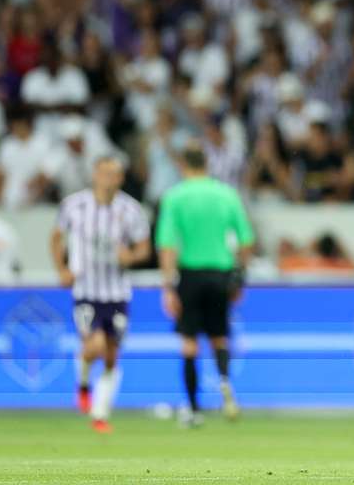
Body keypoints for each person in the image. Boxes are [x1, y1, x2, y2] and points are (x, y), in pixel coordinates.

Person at [155, 144, 255, 426]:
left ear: (183, 166)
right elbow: (246, 240)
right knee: (219, 337)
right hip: (220, 273)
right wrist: (239, 274)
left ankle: (193, 408)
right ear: (207, 165)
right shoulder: (226, 194)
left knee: (189, 343)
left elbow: (167, 245)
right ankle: (224, 382)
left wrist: (168, 286)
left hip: (190, 274)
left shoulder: (175, 197)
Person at [50, 156, 150, 434]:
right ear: (95, 174)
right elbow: (56, 237)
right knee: (93, 345)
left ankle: (100, 413)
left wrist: (129, 256)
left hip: (117, 292)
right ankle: (83, 384)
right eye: (104, 173)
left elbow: (144, 247)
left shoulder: (130, 209)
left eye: (114, 174)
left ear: (120, 178)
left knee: (111, 355)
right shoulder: (74, 205)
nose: (109, 179)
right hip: (86, 289)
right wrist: (62, 269)